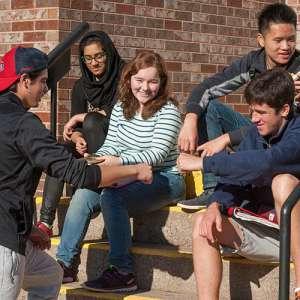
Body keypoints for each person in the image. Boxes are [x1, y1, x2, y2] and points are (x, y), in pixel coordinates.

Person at [0, 46, 151, 300]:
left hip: (14, 231)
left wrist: (28, 230)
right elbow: (80, 175)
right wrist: (135, 170)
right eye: (43, 82)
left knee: (50, 274)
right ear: (25, 81)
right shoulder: (24, 125)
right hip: (4, 244)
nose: (46, 89)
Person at [56, 50, 186, 291]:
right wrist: (94, 160)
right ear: (129, 80)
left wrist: (115, 163)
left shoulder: (168, 112)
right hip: (126, 173)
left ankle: (123, 272)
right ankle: (65, 266)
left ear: (162, 83)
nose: (145, 88)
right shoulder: (120, 108)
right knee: (83, 193)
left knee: (112, 197)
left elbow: (155, 156)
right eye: (139, 80)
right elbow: (111, 146)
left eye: (153, 81)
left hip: (165, 177)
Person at [177, 69, 300, 300]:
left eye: (261, 112)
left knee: (283, 183)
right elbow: (233, 179)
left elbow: (266, 163)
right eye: (252, 111)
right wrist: (215, 206)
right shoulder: (256, 134)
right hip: (270, 235)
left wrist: (204, 164)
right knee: (205, 222)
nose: (253, 119)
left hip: (297, 234)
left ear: (284, 109)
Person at [177, 3, 300, 210]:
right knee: (209, 107)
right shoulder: (252, 64)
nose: (286, 47)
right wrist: (190, 119)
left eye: (291, 40)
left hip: (288, 140)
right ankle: (212, 190)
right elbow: (206, 88)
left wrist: (227, 138)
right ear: (261, 40)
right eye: (278, 40)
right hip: (257, 130)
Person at [37, 31, 124, 236]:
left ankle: (94, 185)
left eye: (99, 56)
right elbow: (75, 128)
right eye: (88, 58)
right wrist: (77, 138)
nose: (94, 63)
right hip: (89, 150)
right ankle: (45, 221)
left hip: (118, 147)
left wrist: (81, 119)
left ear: (108, 54)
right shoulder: (81, 86)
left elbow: (120, 112)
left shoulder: (124, 77)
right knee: (59, 150)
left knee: (93, 121)